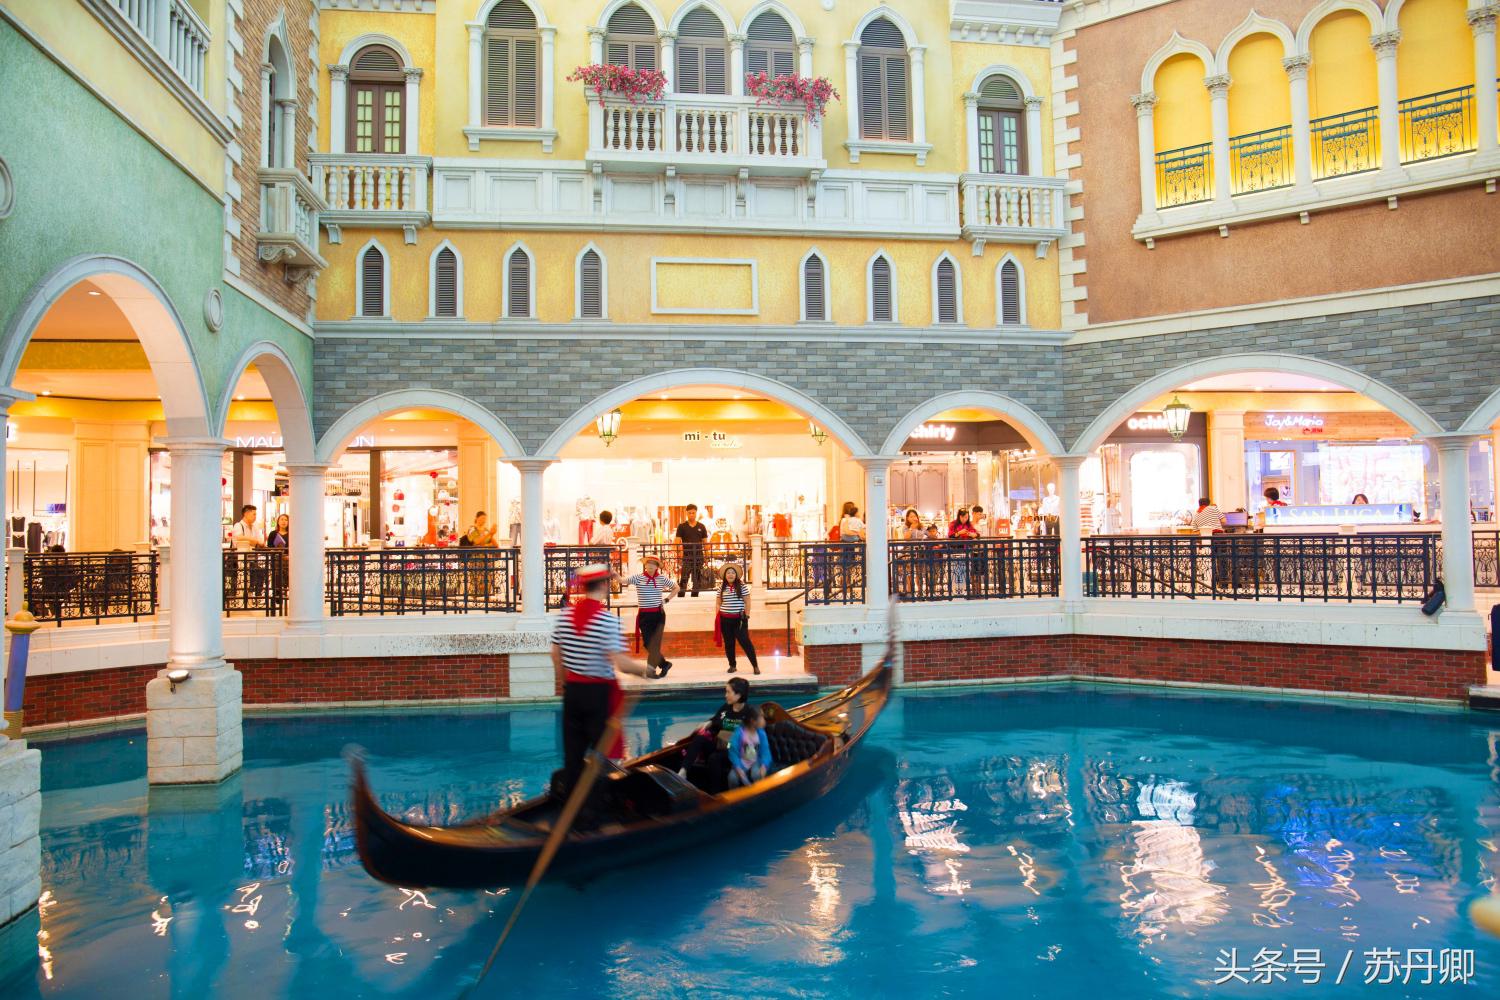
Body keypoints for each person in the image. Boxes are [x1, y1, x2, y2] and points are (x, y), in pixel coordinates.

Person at [550, 563, 652, 798]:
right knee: (602, 757)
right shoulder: (607, 621)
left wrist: (565, 683)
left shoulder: (564, 617)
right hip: (597, 695)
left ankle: (572, 805)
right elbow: (621, 663)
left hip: (573, 693)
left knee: (573, 756)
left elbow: (555, 655)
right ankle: (596, 809)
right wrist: (645, 671)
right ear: (605, 585)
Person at [681, 677, 751, 773]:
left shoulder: (749, 713)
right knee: (699, 739)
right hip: (721, 746)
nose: (725, 695)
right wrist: (708, 723)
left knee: (714, 758)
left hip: (736, 751)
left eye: (728, 692)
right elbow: (716, 720)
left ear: (738, 695)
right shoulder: (726, 708)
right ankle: (683, 771)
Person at [624, 553, 677, 679]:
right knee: (648, 643)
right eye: (648, 563)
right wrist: (613, 574)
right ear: (645, 565)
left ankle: (651, 670)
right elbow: (623, 580)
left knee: (655, 645)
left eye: (653, 564)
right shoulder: (638, 578)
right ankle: (664, 664)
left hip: (658, 615)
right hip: (644, 615)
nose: (650, 566)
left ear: (657, 566)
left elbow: (676, 588)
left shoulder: (662, 578)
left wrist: (667, 599)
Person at [715, 563, 759, 675]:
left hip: (739, 620)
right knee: (729, 644)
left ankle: (755, 666)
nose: (730, 575)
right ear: (725, 575)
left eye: (733, 573)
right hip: (725, 620)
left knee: (746, 643)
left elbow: (747, 601)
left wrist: (747, 616)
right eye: (728, 573)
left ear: (736, 575)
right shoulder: (721, 588)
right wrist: (717, 615)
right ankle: (732, 665)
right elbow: (718, 603)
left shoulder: (742, 587)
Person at [727, 705, 772, 788]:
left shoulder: (761, 733)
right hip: (741, 761)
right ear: (753, 721)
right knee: (732, 778)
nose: (764, 720)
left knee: (756, 775)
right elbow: (732, 751)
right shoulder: (739, 733)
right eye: (761, 717)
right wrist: (738, 768)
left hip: (755, 761)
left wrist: (764, 765)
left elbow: (765, 751)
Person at [675, 504, 710, 596]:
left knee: (697, 580)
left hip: (699, 556)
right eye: (689, 513)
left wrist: (707, 557)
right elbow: (677, 542)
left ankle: (695, 597)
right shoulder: (681, 526)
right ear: (686, 513)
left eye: (693, 513)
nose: (691, 515)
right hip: (687, 557)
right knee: (684, 578)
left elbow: (705, 543)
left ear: (696, 513)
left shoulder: (701, 526)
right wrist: (679, 555)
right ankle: (681, 597)